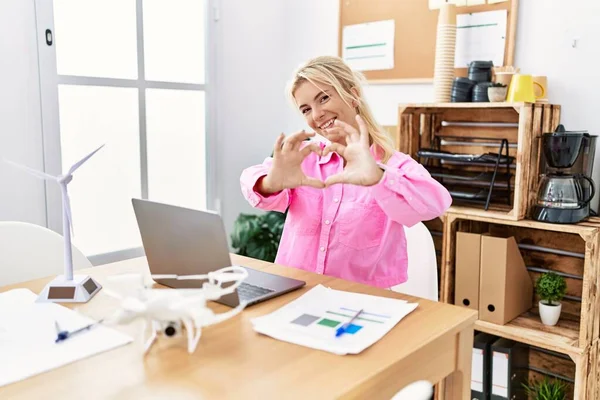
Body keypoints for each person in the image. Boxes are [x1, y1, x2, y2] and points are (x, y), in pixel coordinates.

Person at [239, 55, 451, 289]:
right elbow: (251, 180)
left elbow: (437, 202)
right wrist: (270, 183)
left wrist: (378, 177)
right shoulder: (303, 157)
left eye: (324, 98)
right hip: (296, 292)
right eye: (306, 109)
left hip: (360, 303)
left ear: (353, 96)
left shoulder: (393, 164)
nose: (317, 114)